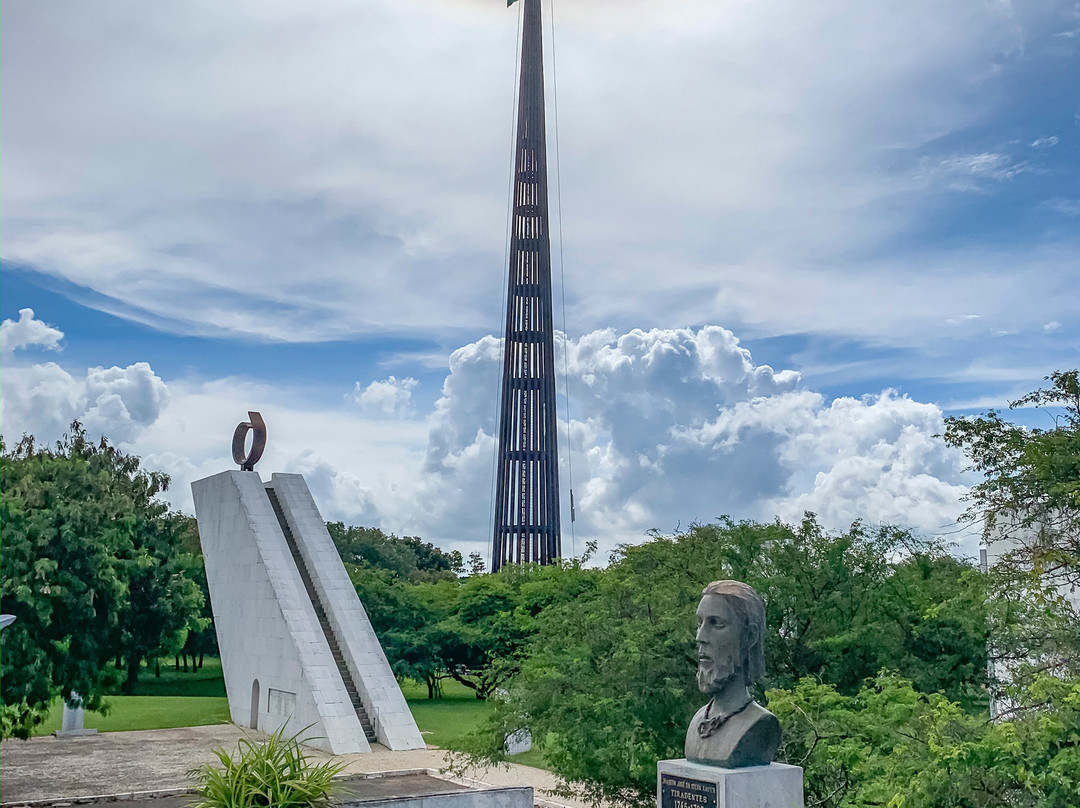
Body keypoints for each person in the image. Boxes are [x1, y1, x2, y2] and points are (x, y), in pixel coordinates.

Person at [683, 580, 780, 767]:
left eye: (716, 623)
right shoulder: (698, 720)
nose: (700, 637)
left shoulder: (761, 724)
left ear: (750, 636)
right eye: (700, 623)